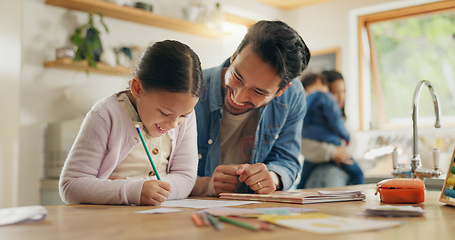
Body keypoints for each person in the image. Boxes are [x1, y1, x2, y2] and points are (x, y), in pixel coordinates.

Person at [59, 40, 203, 206]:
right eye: (165, 113)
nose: (173, 124)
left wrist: (139, 186)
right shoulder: (105, 115)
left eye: (183, 115)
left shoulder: (184, 117)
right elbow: (71, 185)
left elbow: (186, 177)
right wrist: (132, 190)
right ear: (137, 88)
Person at [190, 20, 311, 197]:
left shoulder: (292, 96)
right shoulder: (191, 88)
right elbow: (156, 170)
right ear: (234, 56)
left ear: (281, 90)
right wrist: (204, 185)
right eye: (237, 77)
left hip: (255, 209)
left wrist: (273, 177)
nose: (238, 97)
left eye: (258, 91)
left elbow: (287, 159)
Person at [297, 70, 364, 189]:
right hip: (322, 169)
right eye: (335, 92)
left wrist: (340, 152)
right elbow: (302, 144)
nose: (341, 96)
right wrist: (333, 153)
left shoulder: (343, 119)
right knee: (358, 174)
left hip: (334, 166)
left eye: (343, 91)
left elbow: (352, 145)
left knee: (302, 183)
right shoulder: (323, 104)